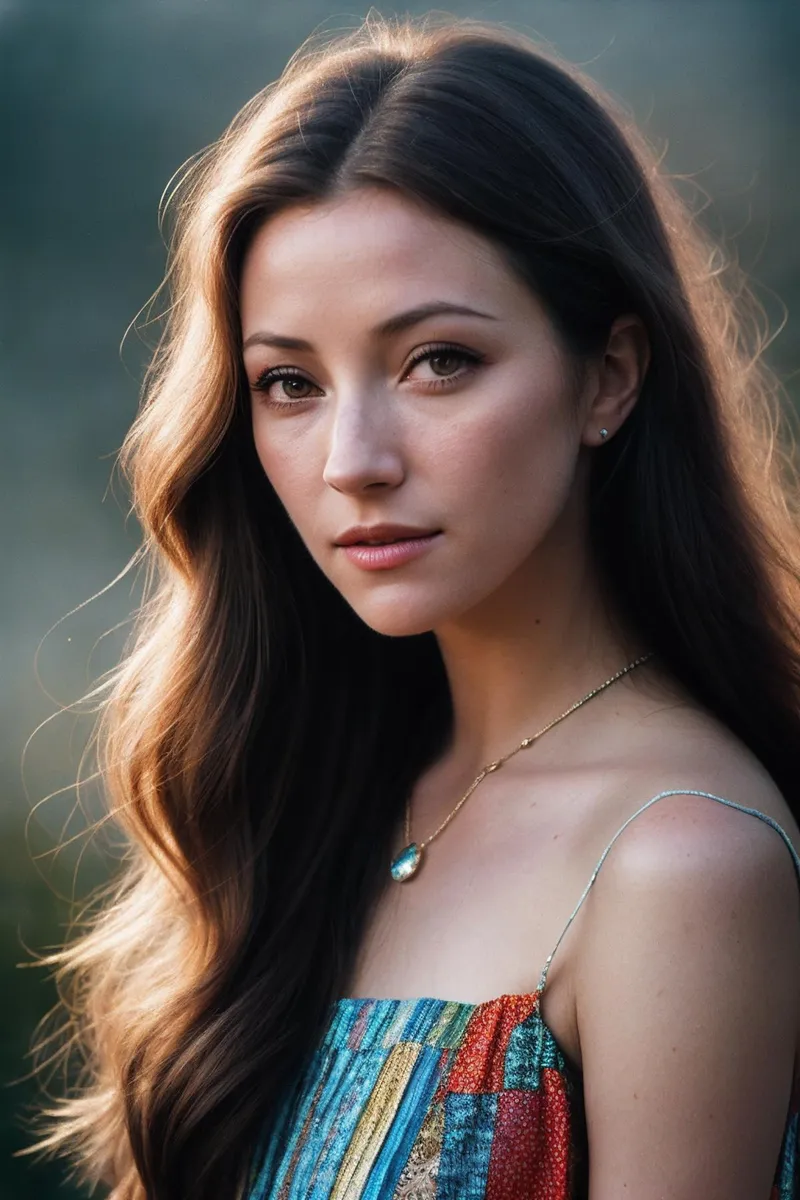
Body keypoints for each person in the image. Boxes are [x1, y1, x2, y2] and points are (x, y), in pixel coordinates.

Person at [29, 12, 800, 1200]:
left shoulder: (680, 863)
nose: (352, 459)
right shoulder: (310, 791)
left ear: (608, 375)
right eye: (288, 383)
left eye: (436, 360)